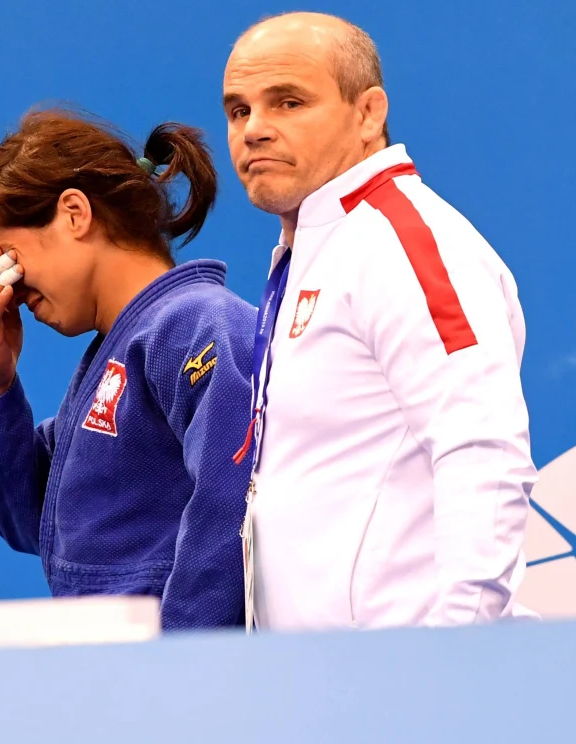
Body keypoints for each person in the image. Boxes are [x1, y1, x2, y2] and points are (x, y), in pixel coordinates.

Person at [222, 12, 538, 631]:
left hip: (407, 688)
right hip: (329, 688)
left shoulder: (403, 241)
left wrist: (454, 653)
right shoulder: (315, 245)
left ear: (368, 113)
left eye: (288, 102)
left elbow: (484, 448)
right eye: (239, 110)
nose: (255, 129)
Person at [0, 109, 255, 630]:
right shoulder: (110, 355)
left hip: (175, 662)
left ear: (74, 214)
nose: (12, 289)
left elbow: (232, 503)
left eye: (9, 259)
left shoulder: (198, 323)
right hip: (119, 660)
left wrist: (187, 658)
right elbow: (32, 521)